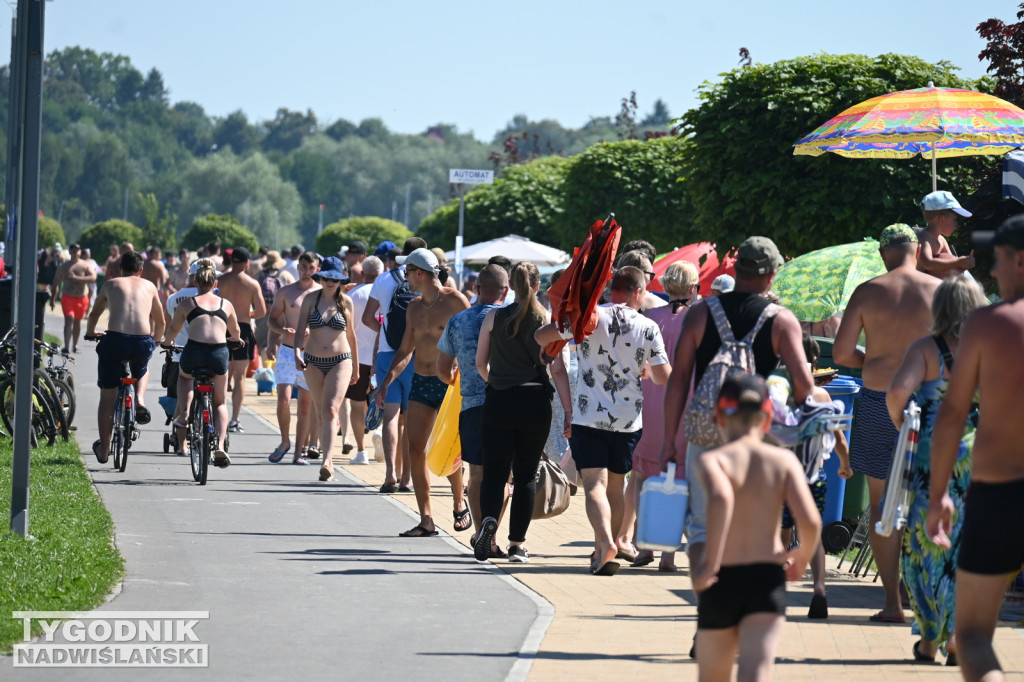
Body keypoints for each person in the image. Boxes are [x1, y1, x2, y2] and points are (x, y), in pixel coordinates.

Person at [660, 236, 813, 620]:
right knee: (751, 522)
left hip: (707, 425)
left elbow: (678, 380)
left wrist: (669, 439)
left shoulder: (700, 313)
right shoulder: (781, 320)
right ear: (772, 273)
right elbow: (805, 387)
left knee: (701, 525)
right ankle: (743, 606)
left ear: (736, 268)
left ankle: (707, 606)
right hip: (755, 434)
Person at [926, 215, 1024, 681]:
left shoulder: (988, 324)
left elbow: (951, 416)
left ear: (1020, 261)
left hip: (1001, 493)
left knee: (971, 637)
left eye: (998, 262)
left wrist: (938, 494)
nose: (991, 274)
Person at [833, 223, 940, 624]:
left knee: (883, 506)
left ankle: (893, 602)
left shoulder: (868, 291)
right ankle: (923, 594)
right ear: (916, 250)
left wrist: (875, 358)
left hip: (879, 399)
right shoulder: (938, 291)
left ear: (883, 254)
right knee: (927, 499)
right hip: (927, 402)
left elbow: (843, 352)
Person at [537, 266, 671, 574]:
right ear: (639, 292)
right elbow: (663, 377)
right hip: (627, 421)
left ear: (614, 289)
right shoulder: (648, 327)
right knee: (616, 485)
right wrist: (645, 370)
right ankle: (610, 544)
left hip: (588, 416)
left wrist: (564, 325)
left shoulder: (589, 317)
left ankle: (604, 543)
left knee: (593, 485)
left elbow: (540, 336)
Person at [692, 372, 821, 682]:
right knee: (757, 671)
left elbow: (722, 498)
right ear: (767, 420)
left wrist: (709, 564)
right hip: (767, 577)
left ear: (719, 417)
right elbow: (812, 521)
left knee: (714, 676)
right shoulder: (784, 461)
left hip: (722, 577)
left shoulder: (713, 460)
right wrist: (802, 558)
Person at [885, 273, 987, 664]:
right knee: (967, 544)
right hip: (978, 451)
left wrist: (906, 427)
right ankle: (960, 635)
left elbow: (897, 392)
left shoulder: (926, 348)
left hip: (930, 452)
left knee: (922, 544)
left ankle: (929, 638)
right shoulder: (989, 349)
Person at [377, 247, 470, 537]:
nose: (404, 277)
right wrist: (386, 381)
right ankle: (426, 520)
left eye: (407, 272)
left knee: (449, 448)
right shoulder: (414, 307)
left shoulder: (456, 301)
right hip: (420, 380)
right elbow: (406, 348)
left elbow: (473, 338)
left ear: (420, 273)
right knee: (415, 449)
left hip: (448, 385)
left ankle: (458, 500)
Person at [473, 262, 557, 561]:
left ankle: (488, 523)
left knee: (494, 474)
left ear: (512, 286)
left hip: (499, 399)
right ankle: (517, 544)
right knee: (525, 475)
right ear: (537, 286)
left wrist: (496, 381)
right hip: (534, 401)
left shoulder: (494, 317)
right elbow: (555, 365)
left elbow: (480, 363)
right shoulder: (545, 319)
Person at [627, 260, 700, 571]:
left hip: (649, 403)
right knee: (677, 478)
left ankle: (643, 545)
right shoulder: (699, 320)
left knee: (643, 476)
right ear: (693, 288)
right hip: (684, 404)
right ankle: (668, 553)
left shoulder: (650, 318)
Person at [437, 264, 510, 556]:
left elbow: (443, 370)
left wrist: (459, 379)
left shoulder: (459, 321)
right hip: (506, 404)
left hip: (472, 406)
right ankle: (493, 536)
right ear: (505, 292)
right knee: (504, 477)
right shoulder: (509, 319)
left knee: (477, 474)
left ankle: (482, 535)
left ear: (476, 289)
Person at [85, 250, 165, 463]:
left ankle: (104, 449)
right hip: (140, 341)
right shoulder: (149, 286)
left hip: (115, 341)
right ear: (140, 270)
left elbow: (94, 314)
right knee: (143, 366)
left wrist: (91, 332)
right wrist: (155, 340)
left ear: (120, 268)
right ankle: (139, 398)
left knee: (107, 398)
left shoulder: (111, 284)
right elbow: (161, 321)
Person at [160, 259, 242, 468]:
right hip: (218, 354)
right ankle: (220, 446)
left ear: (195, 282)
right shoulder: (226, 304)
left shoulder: (187, 304)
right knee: (220, 403)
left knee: (185, 377)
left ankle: (185, 415)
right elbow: (235, 332)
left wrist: (166, 343)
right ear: (216, 284)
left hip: (194, 351)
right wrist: (236, 340)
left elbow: (173, 331)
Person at [361, 238, 426, 492]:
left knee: (390, 417)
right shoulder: (425, 279)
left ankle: (390, 474)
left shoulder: (384, 279)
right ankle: (407, 479)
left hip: (388, 354)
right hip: (416, 356)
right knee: (410, 420)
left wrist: (385, 332)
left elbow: (368, 318)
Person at [293, 257, 358, 481]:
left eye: (335, 278)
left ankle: (327, 461)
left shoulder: (347, 302)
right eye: (327, 278)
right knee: (321, 411)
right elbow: (300, 330)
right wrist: (296, 353)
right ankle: (324, 452)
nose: (330, 282)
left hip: (341, 360)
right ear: (320, 278)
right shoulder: (311, 299)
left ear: (341, 280)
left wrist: (357, 368)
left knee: (331, 409)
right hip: (312, 360)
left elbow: (352, 337)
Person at [267, 251, 321, 465]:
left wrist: (313, 330)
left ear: (317, 269)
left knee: (306, 406)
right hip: (288, 351)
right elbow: (272, 320)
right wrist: (279, 333)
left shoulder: (321, 293)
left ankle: (299, 452)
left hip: (312, 354)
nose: (306, 272)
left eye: (311, 268)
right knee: (283, 399)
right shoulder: (286, 292)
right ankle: (284, 441)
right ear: (297, 268)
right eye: (303, 267)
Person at [217, 247, 267, 434]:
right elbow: (262, 312)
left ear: (231, 262)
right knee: (239, 377)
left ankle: (217, 414)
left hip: (221, 327)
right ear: (247, 263)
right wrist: (248, 313)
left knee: (219, 374)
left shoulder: (220, 281)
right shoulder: (252, 284)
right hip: (243, 329)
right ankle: (234, 419)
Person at [344, 256, 382, 465]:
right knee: (385, 401)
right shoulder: (387, 293)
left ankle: (361, 451)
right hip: (383, 355)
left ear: (362, 273)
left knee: (357, 404)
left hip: (357, 357)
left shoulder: (352, 295)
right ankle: (380, 431)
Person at [917, 191, 975, 279]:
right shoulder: (924, 238)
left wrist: (964, 263)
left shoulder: (941, 240)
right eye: (955, 219)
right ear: (942, 219)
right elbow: (928, 264)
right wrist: (957, 262)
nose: (956, 224)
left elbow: (950, 262)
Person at [50, 243, 97, 353]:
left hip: (82, 298)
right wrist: (52, 299)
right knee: (69, 319)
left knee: (77, 321)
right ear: (70, 251)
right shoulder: (64, 266)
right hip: (68, 297)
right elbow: (55, 283)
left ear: (80, 252)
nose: (76, 252)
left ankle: (74, 346)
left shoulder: (85, 265)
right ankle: (66, 346)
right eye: (73, 250)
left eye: (77, 250)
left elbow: (93, 277)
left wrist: (76, 278)